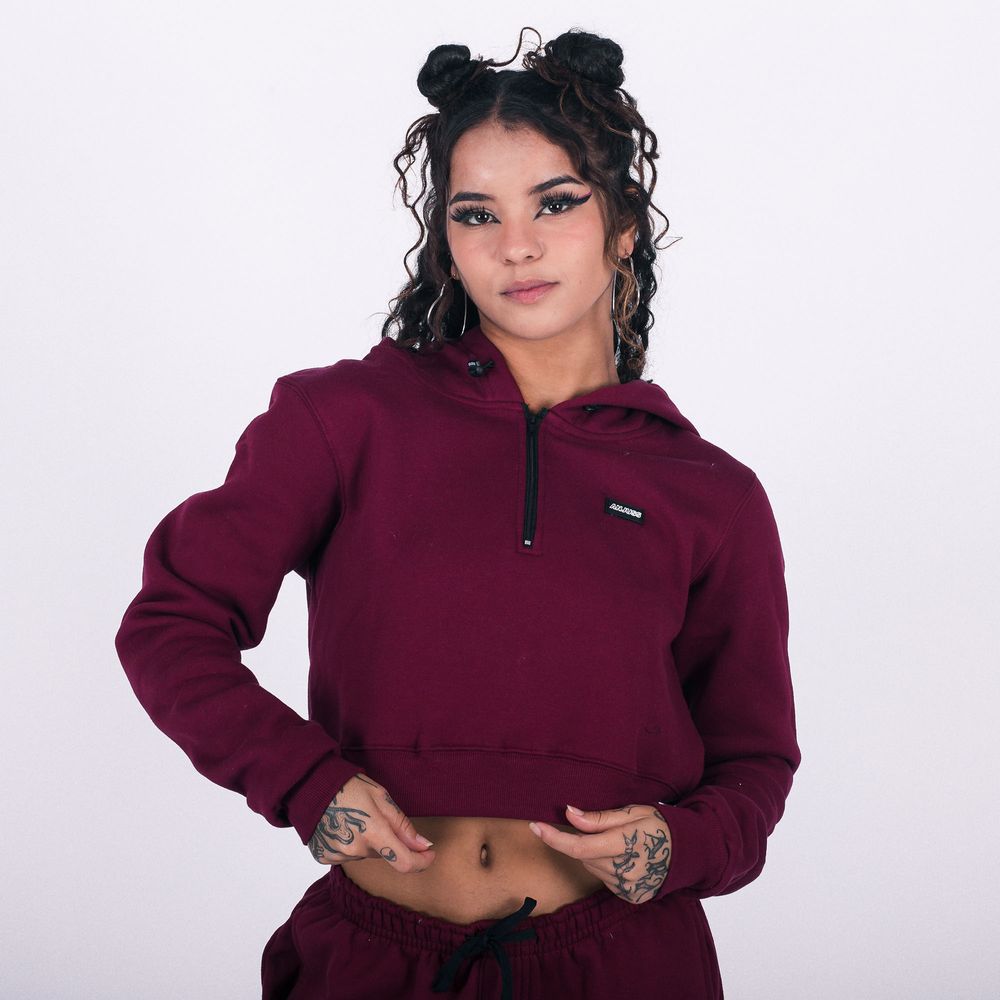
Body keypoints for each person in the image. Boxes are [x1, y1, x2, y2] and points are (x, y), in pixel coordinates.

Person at [115, 26, 800, 1000]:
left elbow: (753, 760)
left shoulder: (709, 492)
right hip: (373, 962)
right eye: (477, 214)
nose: (516, 245)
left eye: (555, 202)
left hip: (620, 965)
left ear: (622, 227)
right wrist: (303, 781)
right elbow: (172, 622)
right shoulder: (342, 419)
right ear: (447, 241)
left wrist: (678, 845)